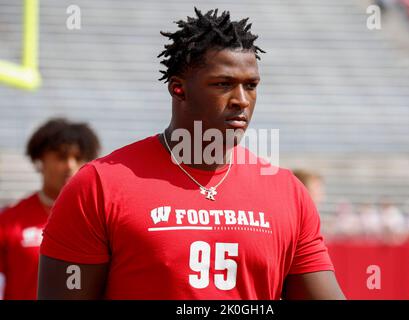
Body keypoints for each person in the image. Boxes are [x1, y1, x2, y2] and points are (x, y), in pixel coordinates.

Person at [37, 8, 345, 300]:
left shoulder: (287, 192)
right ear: (178, 88)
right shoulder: (99, 185)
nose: (241, 100)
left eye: (250, 86)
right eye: (223, 84)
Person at [0, 118, 100, 300]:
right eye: (62, 157)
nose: (70, 166)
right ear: (40, 160)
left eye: (77, 158)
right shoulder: (10, 220)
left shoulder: (100, 221)